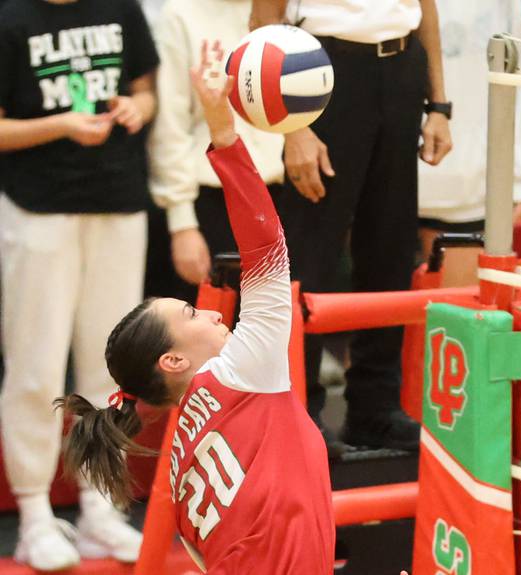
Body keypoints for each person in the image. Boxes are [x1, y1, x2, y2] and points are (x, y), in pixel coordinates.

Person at [56, 53, 335, 574]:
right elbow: (266, 243)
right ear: (174, 361)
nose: (209, 315)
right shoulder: (242, 372)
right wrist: (222, 126)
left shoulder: (183, 451)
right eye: (191, 314)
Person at [249, 0, 453, 452]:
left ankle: (375, 409)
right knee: (308, 255)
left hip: (402, 68)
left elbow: (426, 9)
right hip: (320, 70)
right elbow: (263, 21)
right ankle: (299, 414)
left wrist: (439, 104)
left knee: (391, 250)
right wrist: (292, 128)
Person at [0, 0, 159, 569]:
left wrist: (135, 109)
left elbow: (146, 89)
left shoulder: (122, 7)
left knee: (110, 366)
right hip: (37, 208)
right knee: (35, 365)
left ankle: (98, 510)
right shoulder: (11, 16)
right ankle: (35, 516)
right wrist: (62, 124)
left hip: (118, 200)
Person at [147, 0, 285, 303]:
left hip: (279, 195)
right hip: (210, 199)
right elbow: (169, 126)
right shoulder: (180, 13)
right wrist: (182, 224)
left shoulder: (282, 10)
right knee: (208, 334)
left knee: (272, 332)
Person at [418, 0, 521, 288]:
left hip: (471, 180)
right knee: (383, 318)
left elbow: (519, 81)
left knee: (454, 321)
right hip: (390, 167)